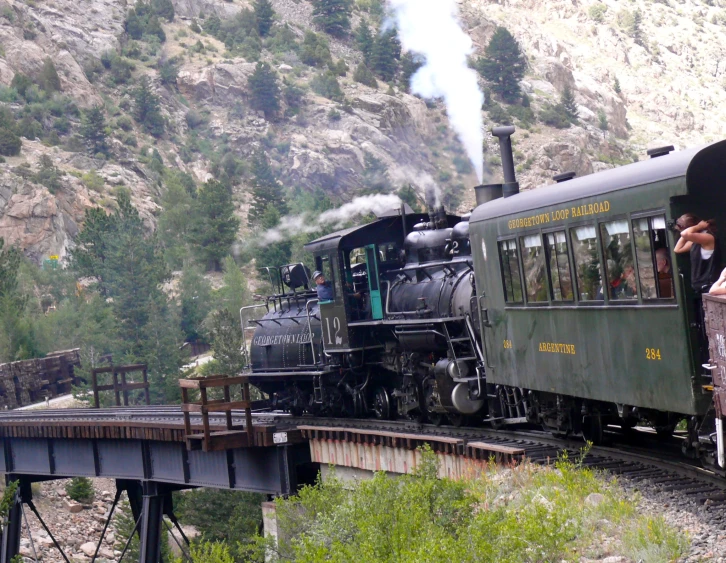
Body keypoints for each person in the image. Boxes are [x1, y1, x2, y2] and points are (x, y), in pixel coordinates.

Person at [674, 214, 721, 292]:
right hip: (700, 287)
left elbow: (684, 234)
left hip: (709, 286)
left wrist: (698, 227)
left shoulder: (708, 237)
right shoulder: (695, 241)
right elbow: (677, 249)